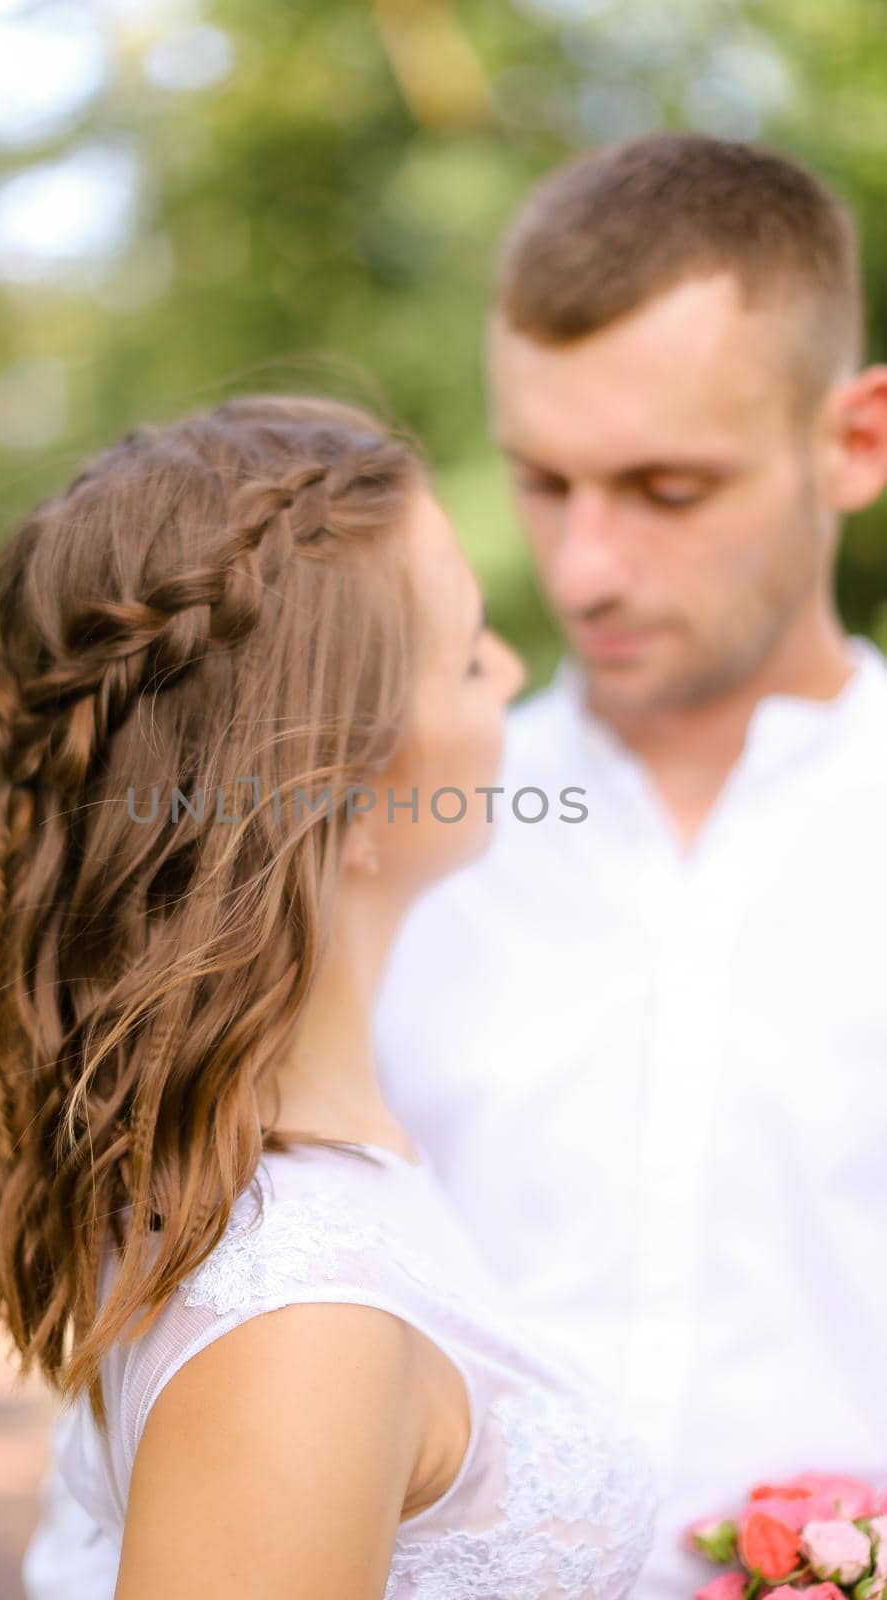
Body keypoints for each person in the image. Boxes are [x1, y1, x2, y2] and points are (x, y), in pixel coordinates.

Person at [0, 394, 658, 1599]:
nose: (516, 675)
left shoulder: (322, 1173)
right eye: (471, 654)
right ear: (349, 792)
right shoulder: (296, 1328)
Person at [373, 133, 887, 1598]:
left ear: (848, 443)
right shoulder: (385, 848)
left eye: (664, 489)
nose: (581, 566)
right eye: (541, 481)